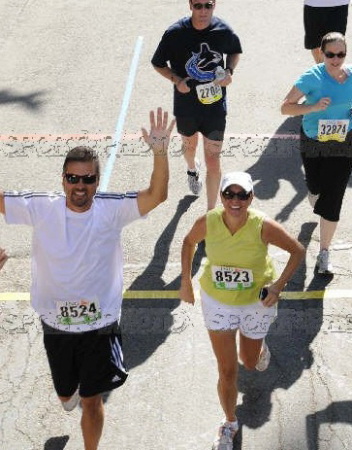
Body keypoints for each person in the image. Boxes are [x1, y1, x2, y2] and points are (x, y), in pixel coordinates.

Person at [0, 108, 175, 450]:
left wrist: (159, 152)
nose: (80, 186)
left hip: (101, 325)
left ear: (97, 181)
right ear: (63, 179)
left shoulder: (112, 209)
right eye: (73, 178)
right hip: (56, 323)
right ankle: (69, 392)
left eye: (88, 179)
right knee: (67, 394)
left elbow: (158, 195)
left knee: (93, 402)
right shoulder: (40, 206)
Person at [179, 171, 304, 450]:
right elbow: (188, 242)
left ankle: (259, 350)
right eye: (229, 194)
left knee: (248, 362)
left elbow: (297, 250)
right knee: (226, 370)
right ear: (222, 197)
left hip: (254, 303)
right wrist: (185, 281)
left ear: (251, 197)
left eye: (242, 195)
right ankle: (229, 423)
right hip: (218, 302)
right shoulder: (209, 221)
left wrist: (277, 287)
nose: (235, 201)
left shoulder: (262, 226)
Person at [151, 0, 242, 210]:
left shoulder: (223, 30)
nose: (203, 11)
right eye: (198, 5)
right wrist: (177, 80)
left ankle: (211, 213)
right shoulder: (174, 33)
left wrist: (229, 71)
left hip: (215, 107)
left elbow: (235, 51)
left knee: (213, 161)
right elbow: (158, 63)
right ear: (190, 5)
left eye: (207, 5)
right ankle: (192, 169)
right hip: (187, 107)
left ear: (214, 5)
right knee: (189, 148)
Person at [281, 32, 352, 275]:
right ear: (321, 53)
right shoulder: (311, 77)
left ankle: (324, 253)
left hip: (343, 143)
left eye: (341, 54)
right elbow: (285, 107)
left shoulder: (351, 76)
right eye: (331, 54)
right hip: (314, 141)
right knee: (317, 188)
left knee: (333, 199)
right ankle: (313, 192)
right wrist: (312, 107)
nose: (336, 59)